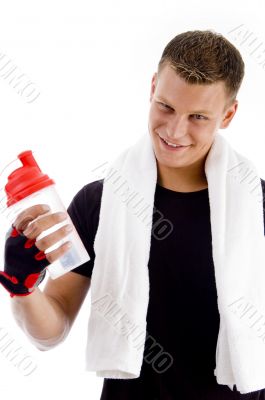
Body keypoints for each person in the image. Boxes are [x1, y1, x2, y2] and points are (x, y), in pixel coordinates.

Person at [1, 29, 265, 399]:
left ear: (229, 114)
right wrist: (22, 285)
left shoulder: (259, 208)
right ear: (153, 86)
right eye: (166, 106)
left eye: (198, 117)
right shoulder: (100, 202)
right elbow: (53, 327)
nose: (175, 130)